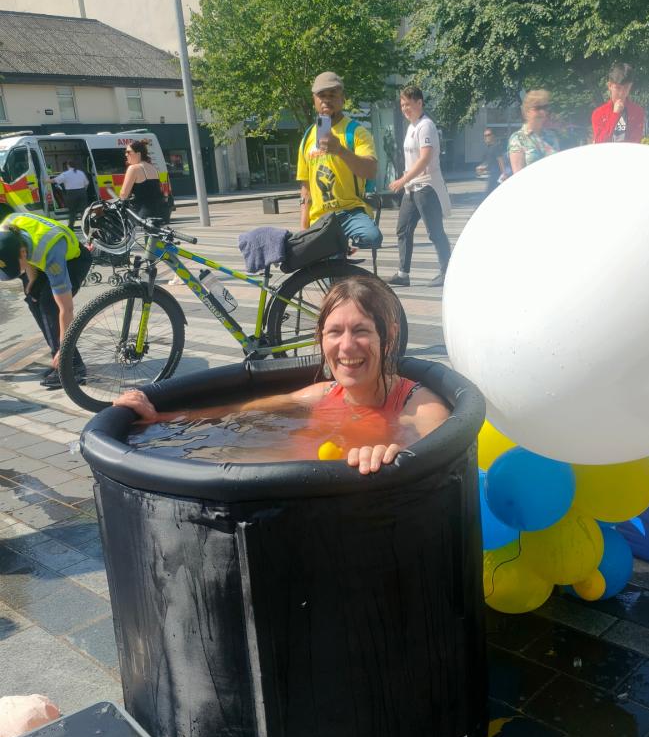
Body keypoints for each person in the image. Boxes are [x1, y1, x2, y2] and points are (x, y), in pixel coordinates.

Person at [114, 276, 450, 474]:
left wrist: (395, 461)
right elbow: (235, 411)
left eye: (360, 330)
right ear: (320, 338)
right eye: (334, 332)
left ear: (388, 336)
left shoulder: (417, 406)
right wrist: (159, 417)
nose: (347, 346)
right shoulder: (320, 394)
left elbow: (445, 460)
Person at [0, 211, 91, 389]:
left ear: (23, 253)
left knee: (50, 306)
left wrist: (64, 349)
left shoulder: (51, 255)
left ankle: (70, 365)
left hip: (73, 261)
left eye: (16, 268)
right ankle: (58, 356)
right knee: (34, 299)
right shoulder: (5, 231)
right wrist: (32, 279)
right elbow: (25, 252)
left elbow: (66, 309)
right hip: (36, 254)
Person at [296, 71, 381, 250]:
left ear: (342, 99)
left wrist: (341, 150)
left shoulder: (356, 132)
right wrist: (304, 229)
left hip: (350, 212)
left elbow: (371, 170)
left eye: (332, 95)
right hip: (319, 219)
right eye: (321, 95)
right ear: (314, 100)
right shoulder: (307, 138)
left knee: (372, 237)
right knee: (328, 273)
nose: (326, 100)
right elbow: (306, 189)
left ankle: (342, 245)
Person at [388, 86, 452, 289]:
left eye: (408, 104)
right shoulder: (412, 126)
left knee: (435, 232)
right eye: (402, 105)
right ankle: (403, 273)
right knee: (403, 229)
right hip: (412, 188)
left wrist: (402, 180)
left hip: (427, 188)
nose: (405, 108)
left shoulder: (426, 126)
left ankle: (447, 271)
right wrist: (406, 181)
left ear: (419, 103)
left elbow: (425, 159)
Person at [591, 62, 646, 144]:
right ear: (610, 86)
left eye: (626, 88)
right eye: (618, 88)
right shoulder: (598, 113)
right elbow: (599, 142)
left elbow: (636, 142)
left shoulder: (637, 112)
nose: (622, 92)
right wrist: (615, 114)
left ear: (630, 86)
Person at [507, 90, 559, 174]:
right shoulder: (518, 139)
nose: (542, 112)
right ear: (526, 111)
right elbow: (518, 176)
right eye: (538, 108)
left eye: (545, 107)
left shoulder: (552, 136)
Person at [119, 140, 168, 220]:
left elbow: (123, 194)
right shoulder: (152, 167)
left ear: (138, 154)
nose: (126, 154)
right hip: (159, 212)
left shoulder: (133, 168)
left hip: (143, 215)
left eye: (128, 152)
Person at [52, 160, 90, 229]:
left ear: (68, 165)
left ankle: (71, 227)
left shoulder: (66, 174)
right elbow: (86, 183)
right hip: (82, 192)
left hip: (72, 194)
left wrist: (45, 180)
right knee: (83, 211)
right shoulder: (80, 173)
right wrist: (83, 190)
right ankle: (86, 226)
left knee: (72, 211)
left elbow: (55, 180)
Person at [477, 128, 508, 197]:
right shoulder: (488, 148)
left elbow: (500, 160)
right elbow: (490, 163)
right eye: (485, 135)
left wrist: (504, 174)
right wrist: (482, 168)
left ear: (493, 136)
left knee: (488, 195)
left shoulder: (496, 146)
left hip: (497, 175)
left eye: (488, 135)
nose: (486, 137)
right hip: (492, 175)